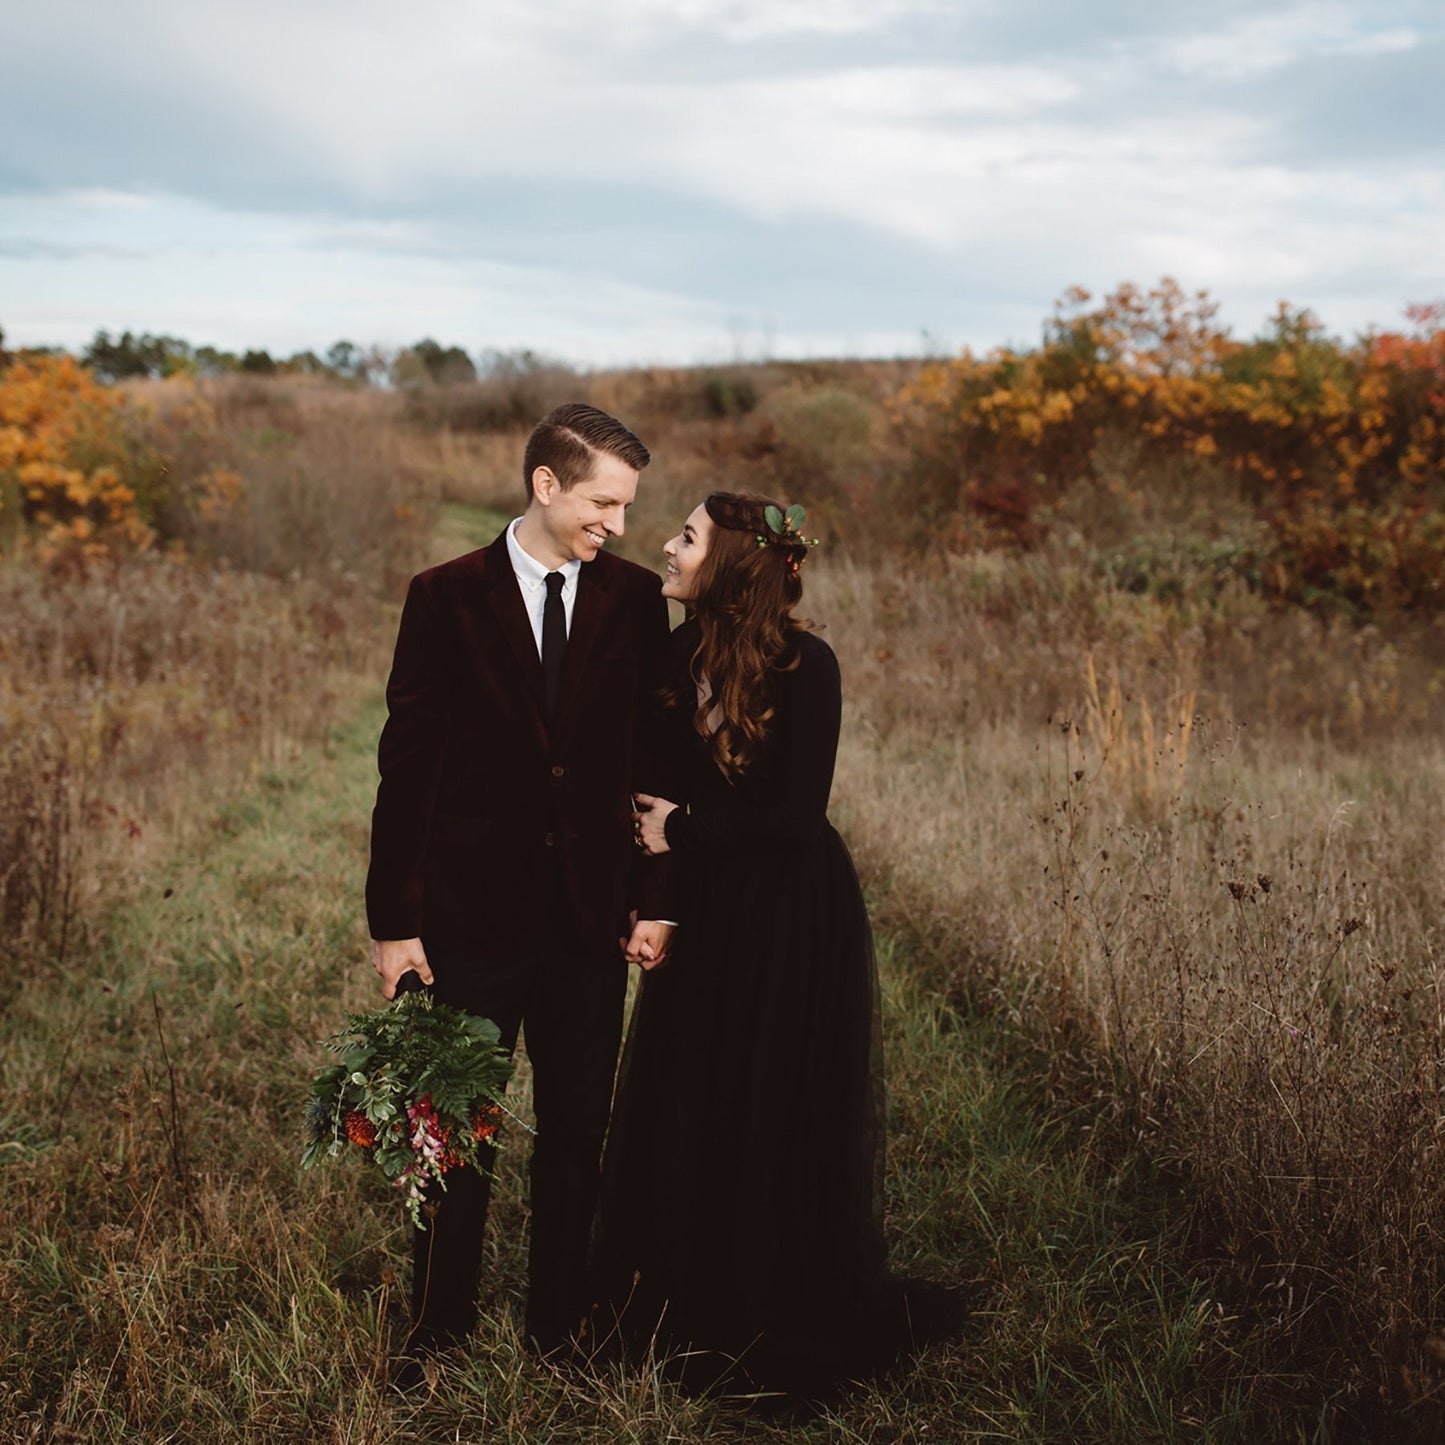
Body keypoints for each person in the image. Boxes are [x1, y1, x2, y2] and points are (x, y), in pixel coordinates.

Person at [594, 491, 962, 1401]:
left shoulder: (808, 666)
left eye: (685, 537)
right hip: (708, 910)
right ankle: (680, 1285)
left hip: (792, 913)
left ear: (729, 566)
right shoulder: (673, 659)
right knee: (694, 1081)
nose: (667, 548)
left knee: (771, 1090)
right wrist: (657, 891)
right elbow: (649, 793)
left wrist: (684, 830)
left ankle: (767, 1295)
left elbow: (795, 817)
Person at [365, 403, 676, 1373]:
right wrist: (394, 923)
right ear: (546, 484)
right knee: (455, 1123)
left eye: (626, 506)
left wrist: (656, 896)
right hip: (468, 916)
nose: (616, 525)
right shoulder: (443, 595)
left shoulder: (632, 599)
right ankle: (437, 1318)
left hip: (590, 915)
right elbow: (407, 765)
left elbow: (652, 756)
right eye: (601, 501)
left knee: (577, 1129)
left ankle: (558, 1322)